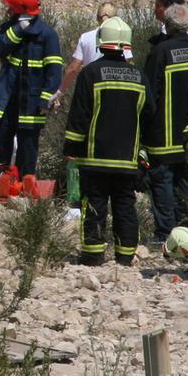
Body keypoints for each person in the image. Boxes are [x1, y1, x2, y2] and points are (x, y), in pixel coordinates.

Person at [63, 17, 144, 266]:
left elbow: (79, 115)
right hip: (127, 160)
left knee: (95, 204)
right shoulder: (139, 77)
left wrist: (70, 149)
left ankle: (93, 255)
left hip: (95, 158)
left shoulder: (90, 73)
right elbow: (149, 115)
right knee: (125, 206)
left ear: (101, 43)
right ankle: (125, 256)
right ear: (127, 46)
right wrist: (145, 153)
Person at [0, 0, 61, 177]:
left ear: (20, 9)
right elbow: (0, 46)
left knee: (28, 146)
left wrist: (46, 100)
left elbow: (54, 70)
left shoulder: (47, 35)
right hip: (7, 98)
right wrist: (19, 28)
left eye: (11, 8)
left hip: (32, 101)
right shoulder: (10, 29)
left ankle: (24, 185)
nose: (8, 11)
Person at [142, 0, 188, 244]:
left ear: (166, 24)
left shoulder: (160, 52)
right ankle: (183, 231)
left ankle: (165, 234)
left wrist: (143, 126)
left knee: (162, 181)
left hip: (163, 132)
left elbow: (150, 93)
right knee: (183, 179)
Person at [52, 3, 129, 112]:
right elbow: (127, 63)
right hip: (115, 90)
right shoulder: (122, 37)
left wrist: (60, 91)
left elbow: (73, 69)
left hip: (91, 87)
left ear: (97, 17)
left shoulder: (86, 37)